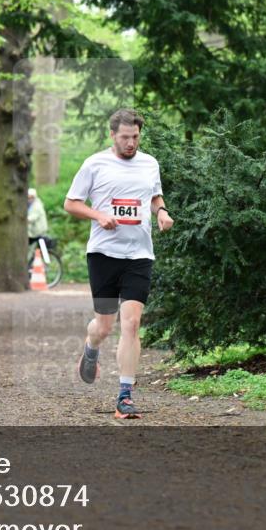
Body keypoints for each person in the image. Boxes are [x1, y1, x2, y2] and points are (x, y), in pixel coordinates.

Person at [63, 108, 174, 419]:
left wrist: (162, 213)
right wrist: (99, 215)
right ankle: (91, 346)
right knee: (105, 325)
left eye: (136, 137)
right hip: (103, 254)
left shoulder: (150, 163)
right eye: (125, 138)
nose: (131, 143)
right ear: (112, 135)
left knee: (132, 323)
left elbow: (155, 196)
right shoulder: (94, 164)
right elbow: (71, 203)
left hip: (139, 254)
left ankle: (125, 395)